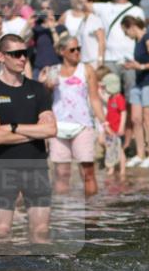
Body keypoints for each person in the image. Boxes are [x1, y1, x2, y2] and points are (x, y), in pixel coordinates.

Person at [0, 34, 58, 244]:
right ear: (1, 56)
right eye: (16, 54)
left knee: (41, 231)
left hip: (36, 167)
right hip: (4, 167)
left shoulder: (38, 89)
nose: (22, 58)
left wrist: (14, 128)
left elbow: (51, 129)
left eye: (24, 53)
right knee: (2, 231)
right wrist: (34, 131)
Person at [40, 35, 105, 197]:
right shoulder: (53, 71)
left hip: (83, 125)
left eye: (79, 49)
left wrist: (105, 123)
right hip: (58, 127)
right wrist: (44, 85)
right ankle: (63, 215)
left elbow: (95, 99)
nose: (77, 52)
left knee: (88, 172)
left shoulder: (87, 69)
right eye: (72, 49)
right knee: (61, 174)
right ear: (62, 52)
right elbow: (43, 100)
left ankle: (90, 214)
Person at [120, 15, 149, 168]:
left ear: (131, 27)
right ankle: (140, 154)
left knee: (148, 118)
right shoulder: (137, 41)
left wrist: (141, 67)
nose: (126, 35)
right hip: (139, 82)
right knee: (136, 118)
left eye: (125, 32)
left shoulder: (148, 39)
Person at [100, 72, 127, 177]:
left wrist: (121, 127)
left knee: (119, 149)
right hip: (111, 129)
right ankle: (111, 168)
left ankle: (122, 170)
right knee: (110, 148)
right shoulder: (111, 97)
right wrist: (100, 90)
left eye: (106, 86)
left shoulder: (119, 98)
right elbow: (103, 99)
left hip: (117, 129)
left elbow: (124, 113)